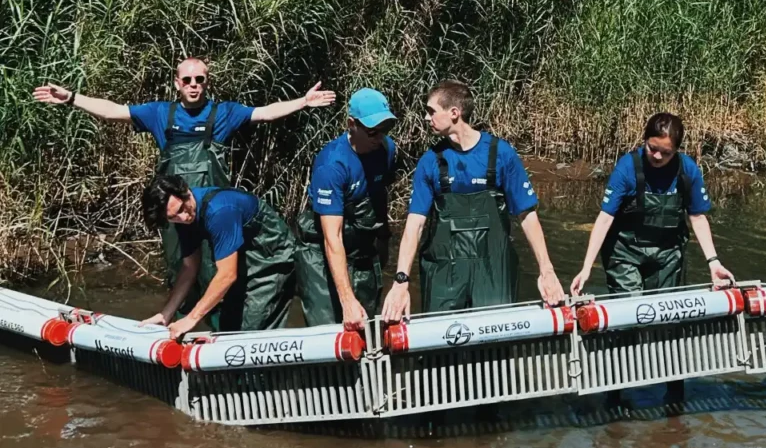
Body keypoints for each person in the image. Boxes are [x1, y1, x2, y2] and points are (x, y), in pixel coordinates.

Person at [34, 58, 333, 328]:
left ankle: (220, 329)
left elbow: (266, 113)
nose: (193, 85)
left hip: (211, 211)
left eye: (199, 79)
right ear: (177, 83)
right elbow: (113, 112)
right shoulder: (160, 113)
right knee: (183, 270)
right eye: (187, 80)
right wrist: (72, 98)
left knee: (222, 272)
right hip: (176, 213)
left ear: (207, 82)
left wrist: (303, 102)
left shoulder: (223, 113)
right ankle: (174, 321)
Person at [380, 80, 564, 322]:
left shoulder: (501, 154)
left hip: (493, 272)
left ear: (454, 113)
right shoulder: (430, 161)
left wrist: (546, 270)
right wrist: (401, 281)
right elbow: (415, 225)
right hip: (444, 275)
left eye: (431, 111)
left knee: (496, 351)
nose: (426, 118)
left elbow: (527, 216)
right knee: (442, 353)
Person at [570, 112, 735, 296]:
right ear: (645, 139)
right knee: (633, 308)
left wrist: (713, 262)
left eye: (666, 153)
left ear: (676, 150)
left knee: (664, 312)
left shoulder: (688, 170)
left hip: (668, 254)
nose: (657, 156)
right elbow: (605, 219)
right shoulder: (626, 168)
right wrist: (586, 269)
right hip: (625, 252)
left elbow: (697, 218)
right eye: (652, 148)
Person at [140, 174, 297, 339]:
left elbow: (227, 275)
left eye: (181, 209)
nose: (184, 218)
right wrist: (165, 315)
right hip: (240, 258)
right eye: (173, 217)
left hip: (271, 256)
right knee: (227, 327)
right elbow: (189, 268)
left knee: (251, 329)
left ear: (186, 191)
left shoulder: (219, 211)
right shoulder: (183, 220)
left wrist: (191, 319)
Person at [296, 88, 398, 330]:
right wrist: (347, 299)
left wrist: (383, 243)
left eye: (386, 129)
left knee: (369, 324)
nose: (380, 137)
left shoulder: (387, 150)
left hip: (361, 240)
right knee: (332, 326)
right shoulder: (332, 164)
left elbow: (381, 197)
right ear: (352, 124)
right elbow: (333, 237)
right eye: (373, 131)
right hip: (321, 249)